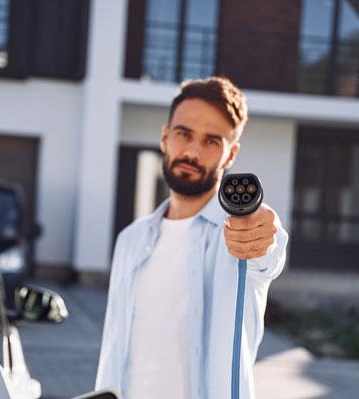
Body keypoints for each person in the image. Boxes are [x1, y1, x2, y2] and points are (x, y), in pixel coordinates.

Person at [95, 77, 289, 399]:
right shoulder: (129, 240)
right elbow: (113, 348)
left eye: (211, 141)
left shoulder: (239, 237)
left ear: (230, 156)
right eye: (184, 134)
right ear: (165, 137)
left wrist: (262, 231)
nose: (192, 151)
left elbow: (265, 249)